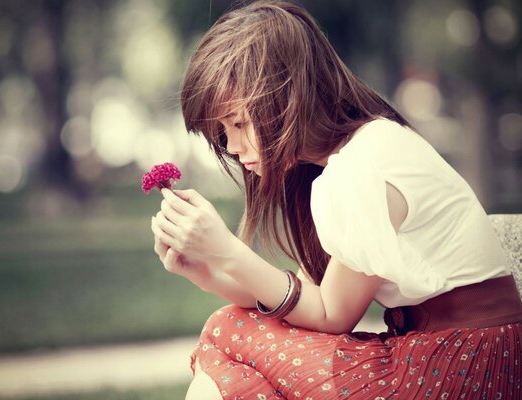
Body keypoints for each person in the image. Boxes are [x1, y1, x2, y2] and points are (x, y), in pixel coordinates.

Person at [150, 1, 522, 399]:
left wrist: (227, 250)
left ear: (288, 95)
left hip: (467, 365)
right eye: (223, 132)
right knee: (231, 332)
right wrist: (206, 272)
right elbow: (303, 298)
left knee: (229, 330)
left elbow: (330, 314)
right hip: (446, 356)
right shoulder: (349, 160)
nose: (234, 146)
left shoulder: (364, 163)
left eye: (239, 123)